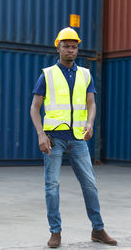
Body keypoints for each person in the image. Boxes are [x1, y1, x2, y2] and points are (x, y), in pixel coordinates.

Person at [30, 27, 117, 248]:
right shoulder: (47, 74)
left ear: (78, 49)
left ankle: (98, 229)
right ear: (57, 47)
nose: (71, 50)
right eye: (66, 46)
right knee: (52, 185)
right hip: (53, 139)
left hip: (78, 138)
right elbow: (34, 107)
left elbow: (91, 103)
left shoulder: (86, 74)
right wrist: (41, 134)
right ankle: (55, 232)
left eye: (74, 46)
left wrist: (90, 122)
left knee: (90, 185)